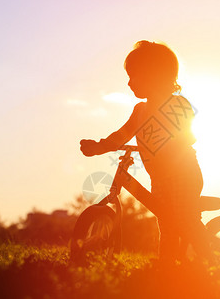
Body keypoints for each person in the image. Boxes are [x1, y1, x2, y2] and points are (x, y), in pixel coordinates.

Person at [80, 40, 212, 266]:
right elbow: (121, 135)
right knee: (166, 222)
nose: (130, 82)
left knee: (182, 217)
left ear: (155, 75)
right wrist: (100, 146)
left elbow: (183, 133)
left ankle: (209, 258)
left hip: (184, 173)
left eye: (135, 75)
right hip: (160, 178)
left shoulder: (179, 104)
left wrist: (158, 140)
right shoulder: (140, 111)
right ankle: (168, 264)